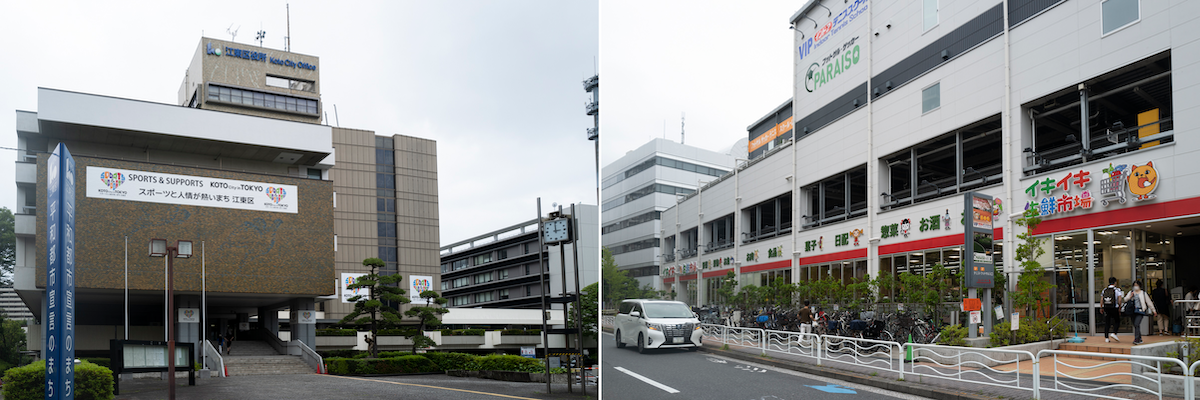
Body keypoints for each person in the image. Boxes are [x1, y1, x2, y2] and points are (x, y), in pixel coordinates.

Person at [1124, 280, 1157, 345]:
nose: (1135, 287)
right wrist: (1130, 296)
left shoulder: (1143, 293)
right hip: (1132, 311)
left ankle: (1136, 339)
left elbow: (1149, 302)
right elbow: (1125, 299)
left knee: (1136, 324)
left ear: (1140, 286)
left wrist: (1154, 310)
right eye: (1134, 285)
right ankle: (1140, 338)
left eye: (1137, 285)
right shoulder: (1131, 292)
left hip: (1140, 311)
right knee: (1136, 325)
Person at [1100, 277, 1124, 342]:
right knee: (1117, 321)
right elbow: (1119, 299)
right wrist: (1119, 306)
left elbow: (1102, 299)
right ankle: (1114, 333)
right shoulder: (1117, 290)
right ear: (1115, 282)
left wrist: (1101, 307)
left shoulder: (1105, 290)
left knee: (1107, 322)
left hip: (1106, 308)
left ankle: (1106, 338)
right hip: (1114, 307)